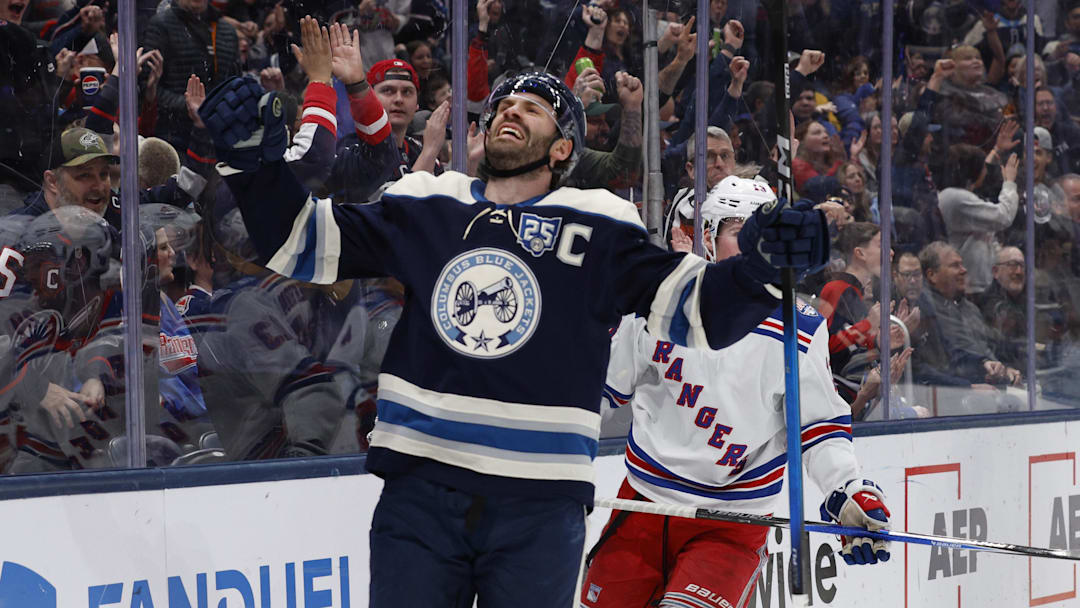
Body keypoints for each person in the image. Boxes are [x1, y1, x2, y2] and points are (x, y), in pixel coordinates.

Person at [199, 62, 829, 606]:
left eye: (532, 109)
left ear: (563, 149)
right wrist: (250, 166)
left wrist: (762, 268)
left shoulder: (600, 224)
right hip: (421, 491)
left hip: (539, 505)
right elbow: (298, 243)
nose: (510, 112)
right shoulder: (429, 204)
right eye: (502, 104)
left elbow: (703, 313)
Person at [583, 177, 890, 608]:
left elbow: (818, 425)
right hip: (642, 507)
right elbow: (595, 394)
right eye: (739, 234)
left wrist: (846, 489)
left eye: (762, 236)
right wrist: (546, 459)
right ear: (707, 237)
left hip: (730, 524)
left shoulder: (799, 329)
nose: (755, 250)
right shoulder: (661, 301)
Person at [143, 0, 242, 152]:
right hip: (174, 139)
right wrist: (190, 105)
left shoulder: (226, 31)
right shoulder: (161, 25)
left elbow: (236, 86)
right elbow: (147, 89)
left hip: (219, 140)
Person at [937, 143, 1020, 295]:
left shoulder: (958, 195)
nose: (986, 171)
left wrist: (996, 151)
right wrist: (1009, 182)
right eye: (983, 167)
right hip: (970, 286)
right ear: (973, 171)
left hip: (978, 283)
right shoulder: (956, 198)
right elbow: (1003, 216)